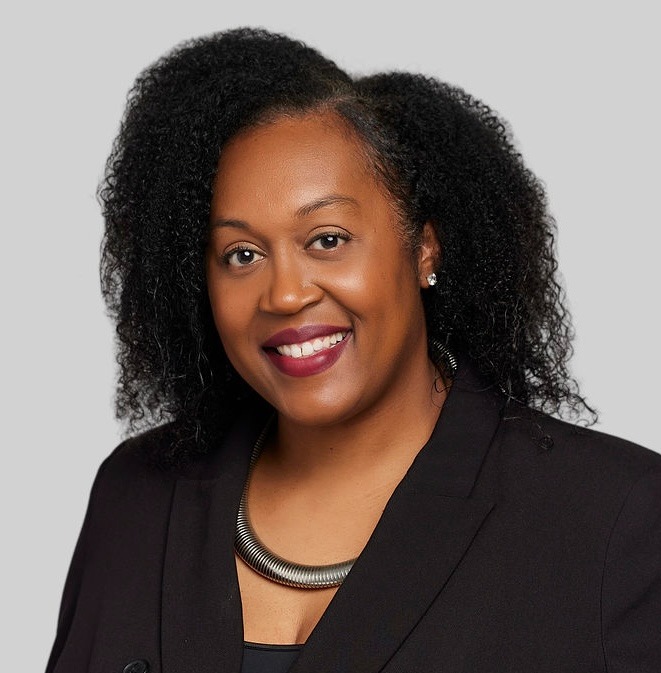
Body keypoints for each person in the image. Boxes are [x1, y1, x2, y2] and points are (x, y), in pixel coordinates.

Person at [45, 28, 661, 673]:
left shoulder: (613, 519)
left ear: (424, 249)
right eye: (242, 254)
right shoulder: (136, 498)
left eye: (328, 239)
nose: (285, 294)